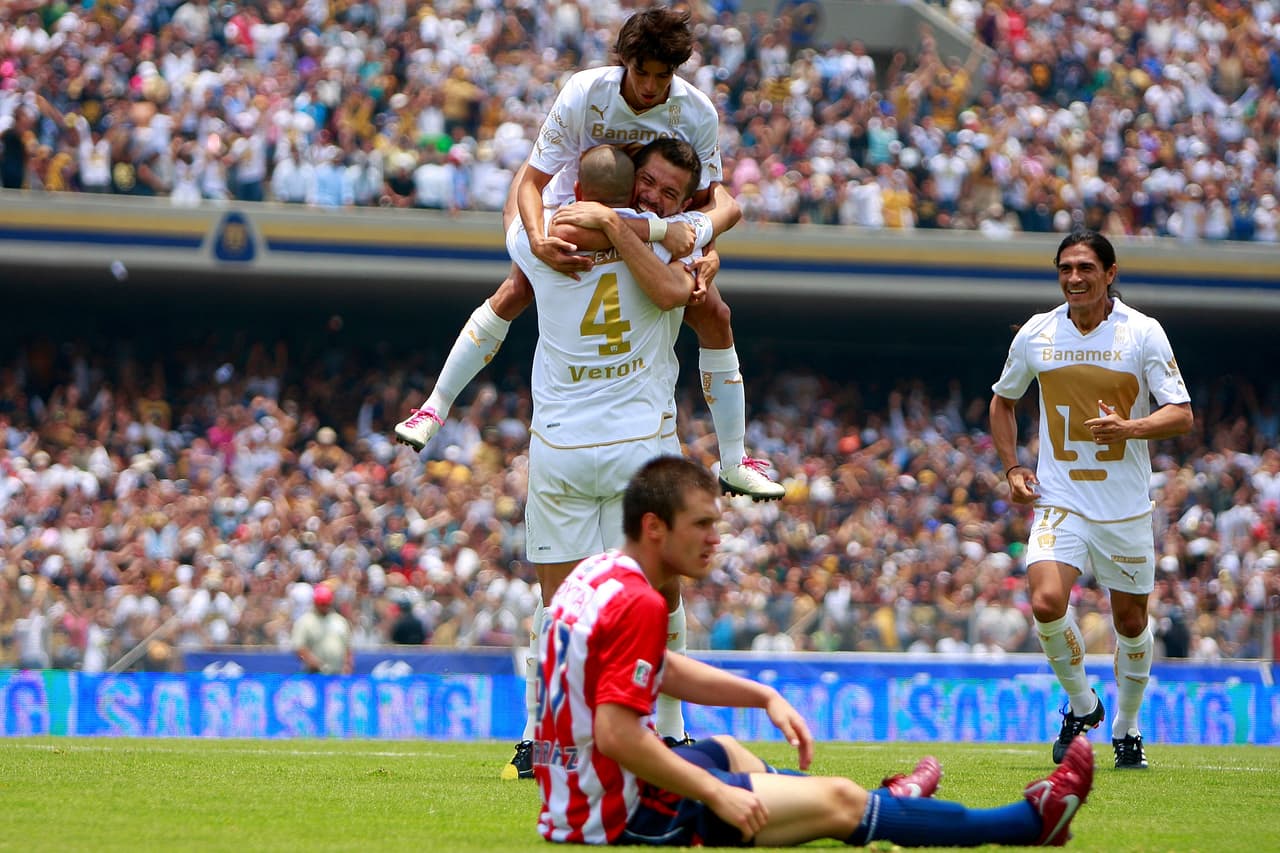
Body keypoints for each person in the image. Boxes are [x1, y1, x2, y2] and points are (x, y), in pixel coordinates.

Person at [534, 455, 1094, 847]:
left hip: (575, 798)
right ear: (654, 527)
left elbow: (659, 667)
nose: (714, 538)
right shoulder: (641, 602)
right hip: (624, 817)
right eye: (701, 525)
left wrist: (764, 697)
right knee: (840, 804)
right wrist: (714, 795)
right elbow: (617, 734)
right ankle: (1025, 822)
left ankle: (894, 803)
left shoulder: (599, 574)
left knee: (728, 748)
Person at [394, 7, 785, 503]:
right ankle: (433, 407)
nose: (648, 86)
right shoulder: (585, 91)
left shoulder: (696, 112)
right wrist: (537, 239)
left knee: (715, 313)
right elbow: (532, 182)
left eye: (661, 76)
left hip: (652, 216)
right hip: (576, 209)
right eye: (640, 71)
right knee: (518, 287)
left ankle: (733, 461)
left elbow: (710, 198)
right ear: (624, 60)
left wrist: (708, 254)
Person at [500, 139, 719, 780]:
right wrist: (638, 223)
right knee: (657, 593)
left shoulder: (540, 246)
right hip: (637, 450)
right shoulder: (658, 247)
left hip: (562, 448)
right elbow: (687, 277)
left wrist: (555, 194)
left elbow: (522, 206)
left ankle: (542, 739)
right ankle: (670, 729)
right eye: (646, 187)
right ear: (630, 194)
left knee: (558, 604)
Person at [989, 229, 1194, 770]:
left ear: (1110, 273)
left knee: (1130, 623)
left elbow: (1181, 413)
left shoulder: (1143, 333)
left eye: (1085, 268)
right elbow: (1002, 402)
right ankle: (1083, 705)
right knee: (1045, 603)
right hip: (1060, 499)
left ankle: (1127, 726)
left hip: (1124, 507)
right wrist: (1013, 467)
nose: (1074, 278)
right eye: (1065, 268)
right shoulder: (1037, 334)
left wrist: (1130, 427)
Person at [291, 583, 353, 675]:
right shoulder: (305, 621)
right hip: (314, 674)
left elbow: (347, 647)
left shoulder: (340, 621)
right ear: (315, 603)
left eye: (326, 604)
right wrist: (316, 664)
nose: (324, 607)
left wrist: (348, 665)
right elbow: (299, 648)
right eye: (322, 604)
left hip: (338, 673)